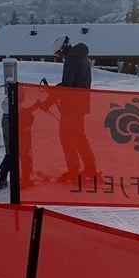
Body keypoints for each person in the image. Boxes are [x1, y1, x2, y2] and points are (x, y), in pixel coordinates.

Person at [52, 34, 96, 179]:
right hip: (81, 105)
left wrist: (52, 93)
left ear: (64, 49)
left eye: (59, 54)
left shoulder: (71, 60)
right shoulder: (82, 58)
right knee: (79, 136)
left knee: (66, 137)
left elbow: (67, 85)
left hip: (71, 106)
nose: (61, 57)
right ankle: (90, 167)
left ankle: (73, 170)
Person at [0, 108, 12, 192]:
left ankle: (25, 177)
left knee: (22, 151)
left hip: (19, 117)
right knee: (11, 151)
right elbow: (5, 107)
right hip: (11, 118)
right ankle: (2, 178)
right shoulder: (9, 100)